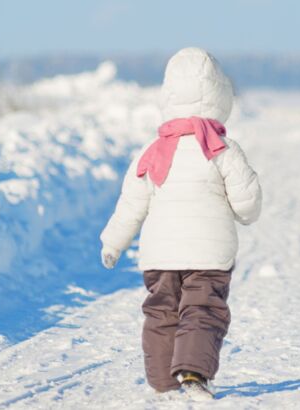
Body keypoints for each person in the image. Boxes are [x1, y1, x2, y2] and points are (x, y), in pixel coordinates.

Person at [99, 47, 262, 399]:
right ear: (222, 97)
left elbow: (131, 205)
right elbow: (248, 205)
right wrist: (245, 214)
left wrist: (112, 243)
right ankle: (192, 371)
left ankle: (161, 379)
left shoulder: (151, 151)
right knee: (201, 309)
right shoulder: (222, 149)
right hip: (209, 254)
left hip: (160, 254)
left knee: (161, 311)